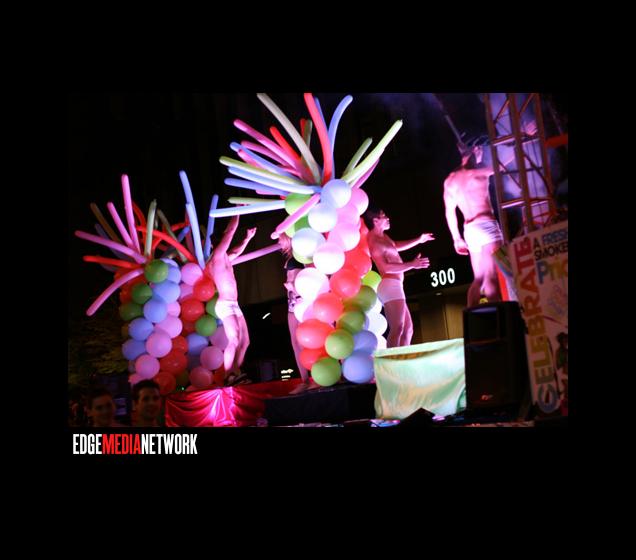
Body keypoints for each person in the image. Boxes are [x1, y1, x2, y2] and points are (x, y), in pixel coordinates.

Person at [363, 206, 434, 348]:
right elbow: (386, 267)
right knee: (398, 328)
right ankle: (392, 360)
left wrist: (419, 240)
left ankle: (403, 357)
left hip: (395, 285)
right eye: (384, 216)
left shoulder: (383, 237)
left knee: (408, 329)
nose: (388, 218)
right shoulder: (374, 241)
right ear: (376, 220)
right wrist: (412, 264)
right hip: (390, 285)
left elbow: (394, 245)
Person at [444, 143, 504, 307]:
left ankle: (472, 315)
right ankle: (499, 316)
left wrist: (456, 238)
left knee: (478, 279)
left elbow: (449, 212)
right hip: (486, 226)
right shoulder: (479, 172)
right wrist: (522, 136)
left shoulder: (450, 180)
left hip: (470, 230)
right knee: (491, 277)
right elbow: (502, 166)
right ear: (474, 150)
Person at [207, 215, 256, 385]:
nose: (226, 245)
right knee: (234, 339)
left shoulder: (225, 258)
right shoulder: (217, 257)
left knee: (245, 341)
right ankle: (228, 375)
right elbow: (230, 232)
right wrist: (237, 212)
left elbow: (236, 251)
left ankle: (236, 371)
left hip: (234, 304)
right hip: (225, 305)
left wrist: (247, 238)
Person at [277, 232, 321, 395]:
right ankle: (304, 381)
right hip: (292, 301)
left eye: (280, 237)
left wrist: (294, 287)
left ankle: (318, 377)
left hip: (302, 299)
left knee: (309, 340)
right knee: (295, 342)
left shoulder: (301, 254)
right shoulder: (290, 256)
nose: (278, 241)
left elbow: (310, 277)